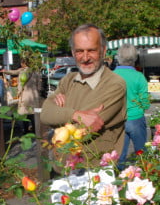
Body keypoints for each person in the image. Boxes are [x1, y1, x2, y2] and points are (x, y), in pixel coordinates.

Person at [41, 24, 126, 163]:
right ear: (73, 53)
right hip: (63, 170)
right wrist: (76, 115)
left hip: (95, 174)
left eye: (91, 50)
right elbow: (45, 114)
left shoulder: (114, 84)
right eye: (79, 51)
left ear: (103, 51)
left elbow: (86, 126)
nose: (85, 57)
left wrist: (60, 113)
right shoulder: (68, 79)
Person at [113, 43, 150, 169]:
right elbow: (145, 102)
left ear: (118, 57)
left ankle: (118, 182)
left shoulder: (111, 76)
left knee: (120, 156)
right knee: (141, 153)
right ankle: (144, 179)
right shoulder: (139, 77)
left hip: (117, 119)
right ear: (135, 58)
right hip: (136, 118)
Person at [3, 55, 42, 133]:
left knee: (24, 113)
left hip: (24, 94)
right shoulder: (36, 71)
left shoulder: (22, 71)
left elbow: (14, 72)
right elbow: (39, 85)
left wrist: (4, 71)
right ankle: (34, 129)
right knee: (33, 113)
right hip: (34, 95)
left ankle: (26, 129)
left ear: (24, 63)